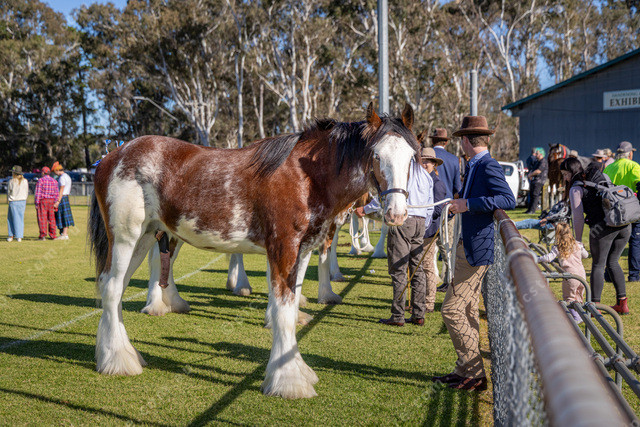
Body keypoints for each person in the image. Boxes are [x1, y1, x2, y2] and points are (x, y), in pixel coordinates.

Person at [432, 115, 516, 391]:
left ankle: (475, 372)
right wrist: (462, 204)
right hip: (468, 245)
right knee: (466, 310)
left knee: (451, 310)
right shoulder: (475, 165)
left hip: (476, 249)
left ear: (466, 141)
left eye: (461, 141)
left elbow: (508, 199)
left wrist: (467, 204)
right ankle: (464, 369)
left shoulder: (488, 165)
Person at [357, 158, 434, 326]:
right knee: (417, 269)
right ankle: (419, 313)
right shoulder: (426, 175)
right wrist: (424, 225)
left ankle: (398, 315)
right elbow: (430, 205)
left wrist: (365, 209)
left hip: (403, 220)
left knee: (398, 269)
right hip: (420, 222)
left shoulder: (401, 171)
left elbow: (388, 196)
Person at [562, 158, 631, 314]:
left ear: (573, 172)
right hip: (624, 224)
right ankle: (622, 304)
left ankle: (595, 307)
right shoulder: (601, 176)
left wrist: (578, 241)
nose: (565, 178)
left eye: (565, 174)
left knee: (598, 265)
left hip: (603, 226)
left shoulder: (576, 188)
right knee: (613, 261)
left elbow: (578, 217)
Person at [535, 222, 589, 323]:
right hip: (582, 275)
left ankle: (576, 318)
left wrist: (537, 259)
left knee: (569, 298)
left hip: (570, 276)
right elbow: (586, 255)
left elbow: (548, 258)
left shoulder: (558, 247)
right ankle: (580, 315)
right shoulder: (577, 244)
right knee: (578, 296)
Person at [429, 128, 461, 293]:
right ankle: (449, 280)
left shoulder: (426, 156)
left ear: (432, 140)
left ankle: (427, 279)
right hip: (446, 208)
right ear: (446, 142)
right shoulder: (454, 160)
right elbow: (457, 188)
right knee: (447, 247)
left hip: (427, 208)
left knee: (427, 246)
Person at [603, 141, 640, 283]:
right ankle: (634, 275)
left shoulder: (609, 167)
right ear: (630, 154)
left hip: (614, 211)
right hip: (632, 210)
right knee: (635, 242)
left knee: (612, 242)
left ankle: (609, 274)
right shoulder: (634, 166)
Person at [419, 147, 446, 314]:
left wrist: (419, 212)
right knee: (418, 267)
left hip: (429, 232)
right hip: (417, 230)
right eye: (422, 161)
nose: (424, 164)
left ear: (434, 164)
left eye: (427, 162)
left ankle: (429, 302)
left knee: (428, 267)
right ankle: (419, 300)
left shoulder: (438, 184)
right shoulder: (418, 181)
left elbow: (437, 211)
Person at [34, 166, 59, 240]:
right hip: (51, 201)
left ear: (43, 172)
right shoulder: (54, 181)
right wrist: (56, 201)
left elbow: (38, 192)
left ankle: (43, 235)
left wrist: (36, 203)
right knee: (52, 219)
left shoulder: (41, 180)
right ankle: (53, 235)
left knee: (42, 218)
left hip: (43, 201)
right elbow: (56, 193)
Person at [52, 161, 74, 240]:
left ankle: (64, 234)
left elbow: (61, 190)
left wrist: (58, 201)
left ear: (57, 170)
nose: (55, 173)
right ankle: (63, 233)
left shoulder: (62, 178)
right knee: (64, 215)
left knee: (63, 216)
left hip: (62, 198)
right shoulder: (67, 176)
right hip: (65, 197)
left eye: (54, 171)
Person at [6, 165, 29, 242]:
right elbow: (26, 191)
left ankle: (11, 235)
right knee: (20, 219)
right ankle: (19, 236)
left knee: (11, 219)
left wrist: (9, 199)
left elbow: (9, 192)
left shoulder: (12, 181)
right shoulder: (25, 181)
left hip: (14, 201)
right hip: (22, 201)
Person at [525, 147, 547, 214]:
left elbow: (538, 171)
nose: (535, 155)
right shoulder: (537, 162)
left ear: (541, 154)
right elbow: (533, 169)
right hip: (534, 180)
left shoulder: (543, 161)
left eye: (537, 154)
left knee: (535, 195)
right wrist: (531, 175)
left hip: (539, 181)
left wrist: (530, 175)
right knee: (531, 195)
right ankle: (529, 210)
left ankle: (532, 210)